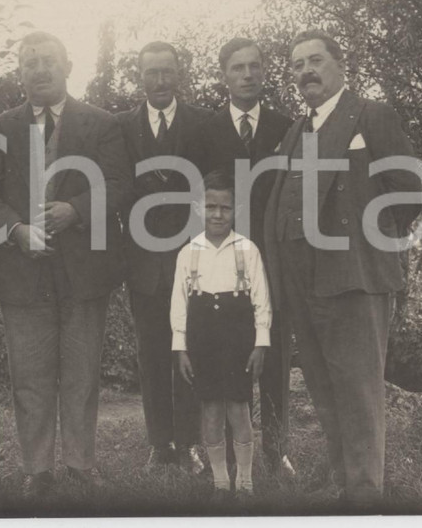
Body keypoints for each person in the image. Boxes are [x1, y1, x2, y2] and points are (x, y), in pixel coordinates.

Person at [263, 30, 422, 507]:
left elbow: (408, 189)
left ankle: (365, 492)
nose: (306, 71)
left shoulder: (370, 115)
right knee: (322, 383)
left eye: (315, 60)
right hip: (303, 279)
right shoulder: (297, 129)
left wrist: (364, 242)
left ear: (340, 65)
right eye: (297, 65)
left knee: (357, 389)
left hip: (353, 278)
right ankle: (341, 477)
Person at [0, 31, 133, 498]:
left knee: (82, 373)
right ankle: (37, 469)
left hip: (85, 271)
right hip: (22, 271)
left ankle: (81, 464)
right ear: (19, 72)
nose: (38, 70)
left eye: (47, 61)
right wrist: (17, 231)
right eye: (29, 63)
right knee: (31, 376)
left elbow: (121, 183)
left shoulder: (100, 123)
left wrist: (75, 210)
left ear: (67, 67)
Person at [194, 37, 295, 477]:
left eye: (255, 66)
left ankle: (276, 448)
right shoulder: (207, 129)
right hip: (222, 257)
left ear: (264, 72)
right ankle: (231, 451)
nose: (248, 75)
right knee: (225, 350)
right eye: (238, 68)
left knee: (271, 349)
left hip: (273, 257)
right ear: (224, 76)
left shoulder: (286, 127)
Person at [116, 41, 211, 474]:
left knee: (190, 349)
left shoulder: (202, 124)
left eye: (166, 72)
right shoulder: (121, 127)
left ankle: (191, 442)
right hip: (143, 262)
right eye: (151, 72)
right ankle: (160, 443)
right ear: (140, 76)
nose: (159, 80)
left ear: (178, 74)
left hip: (193, 257)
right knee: (151, 352)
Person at [171, 170, 271, 498]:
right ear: (200, 208)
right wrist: (180, 347)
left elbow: (261, 301)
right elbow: (179, 304)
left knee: (239, 407)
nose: (217, 214)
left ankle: (245, 479)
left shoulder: (248, 250)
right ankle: (219, 480)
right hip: (203, 341)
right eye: (210, 206)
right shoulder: (189, 253)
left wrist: (260, 343)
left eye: (224, 208)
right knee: (211, 408)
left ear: (235, 210)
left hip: (239, 339)